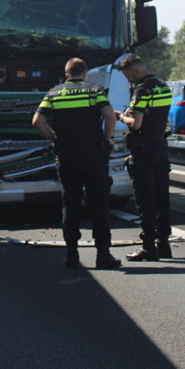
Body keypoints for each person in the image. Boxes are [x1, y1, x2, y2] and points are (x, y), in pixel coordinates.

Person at [32, 58, 120, 270]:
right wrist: (107, 139)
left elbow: (37, 121)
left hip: (66, 154)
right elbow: (110, 117)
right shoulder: (94, 91)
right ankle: (103, 255)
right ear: (85, 72)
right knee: (99, 204)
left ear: (67, 74)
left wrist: (54, 139)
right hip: (93, 154)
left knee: (70, 204)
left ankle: (71, 255)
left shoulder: (54, 93)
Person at [114, 54, 173, 261]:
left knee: (145, 200)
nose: (129, 80)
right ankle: (164, 244)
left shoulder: (142, 90)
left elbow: (136, 123)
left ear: (137, 70)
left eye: (129, 76)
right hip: (160, 147)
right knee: (162, 197)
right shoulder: (163, 87)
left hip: (143, 150)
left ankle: (149, 247)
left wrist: (121, 116)